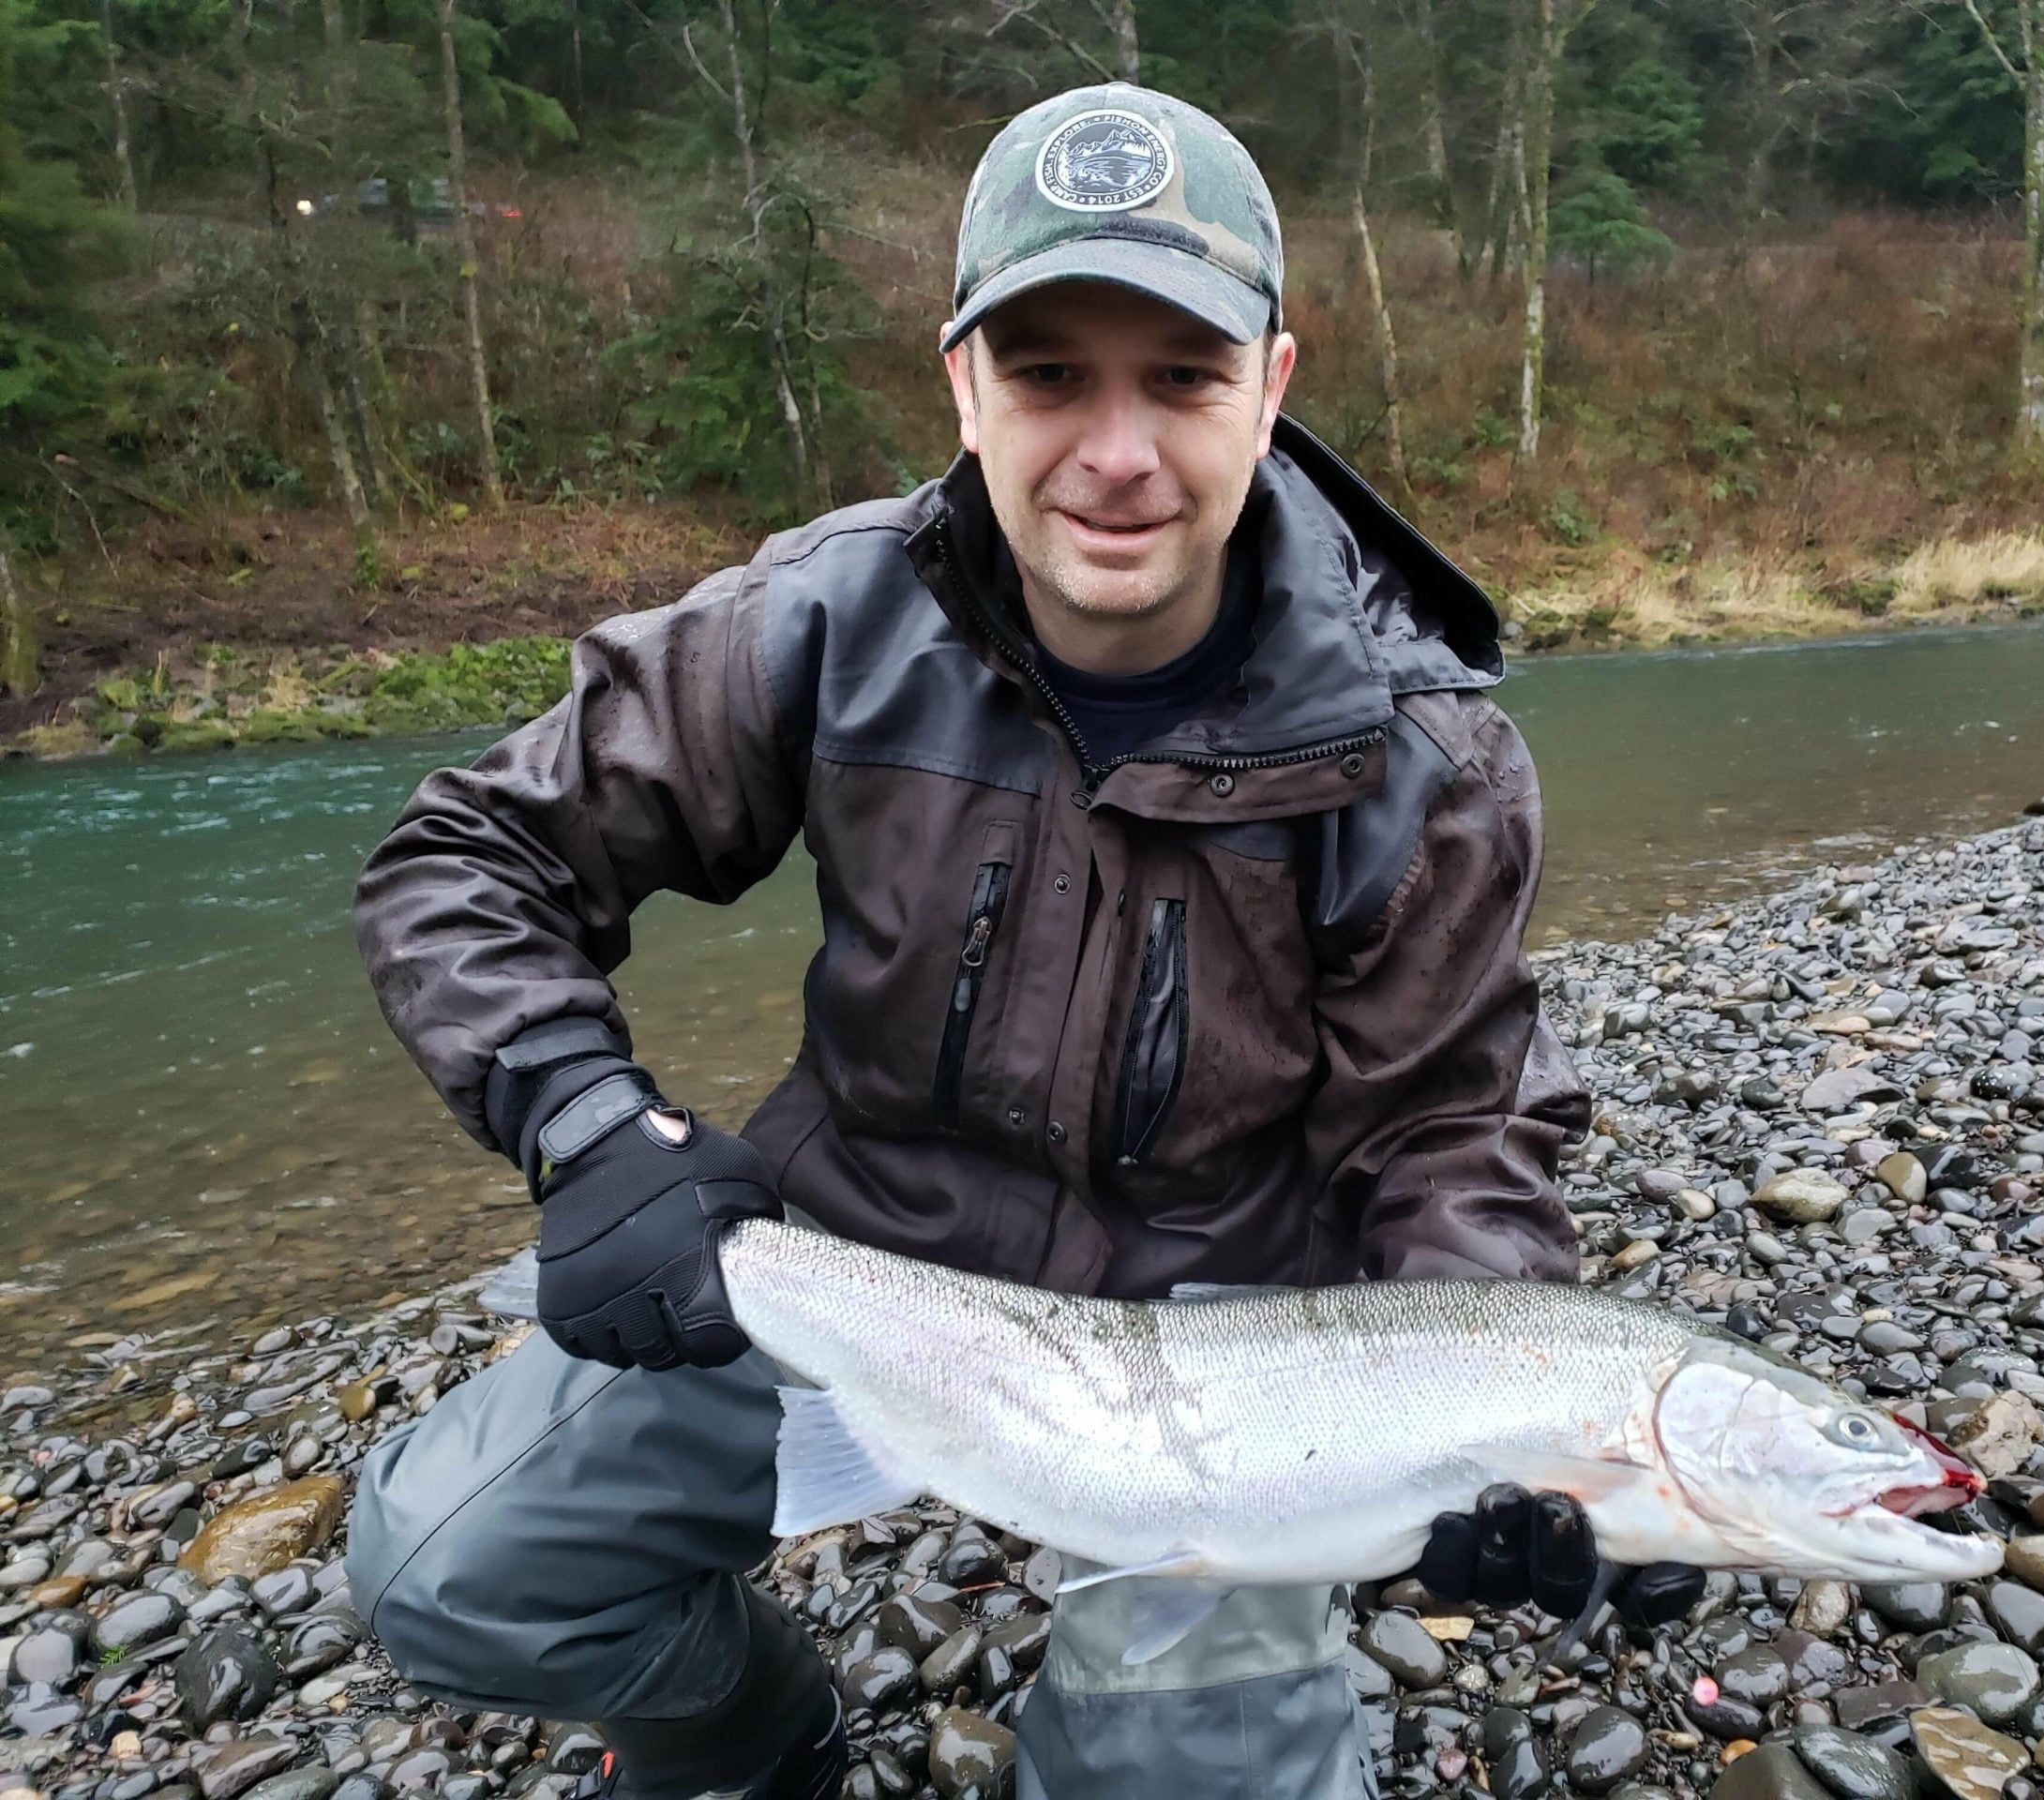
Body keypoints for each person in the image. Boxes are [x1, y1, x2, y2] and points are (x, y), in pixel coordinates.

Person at [343, 82, 1697, 1800]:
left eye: (1184, 378)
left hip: (1221, 1358)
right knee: (444, 1571)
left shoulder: (1420, 754)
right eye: (1051, 373)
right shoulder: (826, 618)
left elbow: (1449, 1125)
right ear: (963, 382)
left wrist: (1496, 1424)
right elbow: (473, 851)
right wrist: (586, 1123)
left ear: (1273, 389)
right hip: (852, 1271)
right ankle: (763, 1737)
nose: (1117, 452)